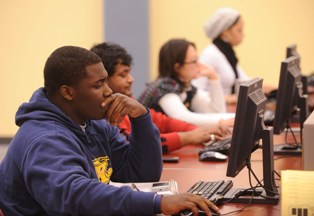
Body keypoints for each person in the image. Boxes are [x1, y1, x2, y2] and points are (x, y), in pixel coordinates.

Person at [0, 46, 219, 215]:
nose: (109, 92)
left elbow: (141, 175)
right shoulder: (45, 139)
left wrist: (141, 118)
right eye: (98, 85)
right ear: (68, 92)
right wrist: (158, 202)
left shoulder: (95, 124)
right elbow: (76, 198)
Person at [90, 42, 230, 153]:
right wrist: (189, 136)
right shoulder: (164, 87)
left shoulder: (186, 88)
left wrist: (198, 131)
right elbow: (130, 143)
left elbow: (163, 122)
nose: (131, 79)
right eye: (123, 75)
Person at [138, 38, 235, 128]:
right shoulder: (163, 86)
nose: (199, 65)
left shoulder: (186, 88)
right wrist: (221, 122)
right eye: (194, 61)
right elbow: (182, 117)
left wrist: (213, 77)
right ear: (177, 67)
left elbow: (216, 112)